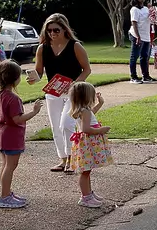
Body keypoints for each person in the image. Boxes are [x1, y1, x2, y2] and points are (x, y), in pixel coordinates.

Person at [28, 13, 91, 175]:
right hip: (53, 92)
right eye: (49, 31)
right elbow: (39, 71)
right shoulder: (43, 48)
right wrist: (34, 77)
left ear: (65, 29)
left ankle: (72, 157)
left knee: (67, 124)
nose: (52, 34)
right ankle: (63, 159)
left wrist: (74, 84)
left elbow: (87, 69)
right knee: (56, 127)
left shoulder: (75, 46)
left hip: (73, 92)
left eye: (56, 30)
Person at [0, 60, 42, 209]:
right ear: (15, 79)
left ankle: (6, 192)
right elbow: (17, 119)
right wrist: (34, 112)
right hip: (11, 135)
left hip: (0, 133)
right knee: (11, 166)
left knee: (6, 165)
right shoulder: (13, 98)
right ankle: (4, 197)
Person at [65, 80, 111, 208]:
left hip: (87, 144)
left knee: (87, 170)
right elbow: (86, 129)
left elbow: (91, 115)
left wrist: (100, 103)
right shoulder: (84, 111)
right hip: (87, 144)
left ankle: (89, 194)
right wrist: (101, 130)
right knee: (85, 172)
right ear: (86, 96)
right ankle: (85, 197)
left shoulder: (84, 110)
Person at [128, 0, 155, 83]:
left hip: (146, 35)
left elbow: (149, 20)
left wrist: (155, 22)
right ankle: (133, 77)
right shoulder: (134, 9)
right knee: (134, 56)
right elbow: (134, 23)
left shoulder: (146, 9)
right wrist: (138, 37)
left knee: (145, 56)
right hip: (136, 35)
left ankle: (146, 76)